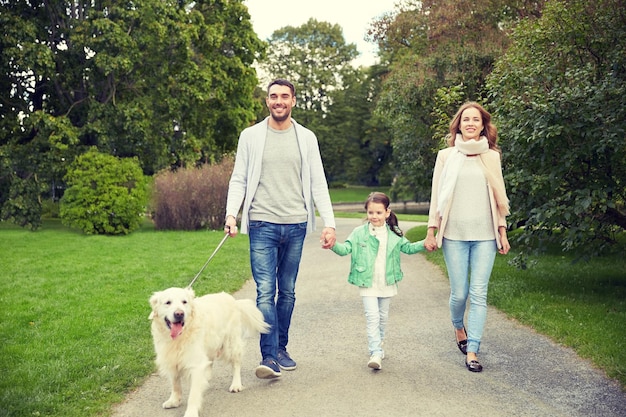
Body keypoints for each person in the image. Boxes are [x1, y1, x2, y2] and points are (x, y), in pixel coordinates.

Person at [224, 79, 336, 379]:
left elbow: (318, 182)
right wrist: (231, 214)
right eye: (274, 96)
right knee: (265, 292)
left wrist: (330, 222)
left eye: (284, 96)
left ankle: (281, 347)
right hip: (262, 223)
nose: (279, 101)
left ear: (294, 101)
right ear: (267, 101)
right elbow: (239, 178)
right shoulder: (250, 136)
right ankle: (269, 357)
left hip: (296, 224)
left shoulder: (307, 138)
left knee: (286, 292)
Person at [424, 102, 510, 373]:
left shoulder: (492, 157)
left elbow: (499, 197)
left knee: (479, 293)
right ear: (458, 125)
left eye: (476, 119)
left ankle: (472, 350)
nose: (470, 123)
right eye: (465, 120)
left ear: (483, 125)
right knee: (459, 293)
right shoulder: (446, 156)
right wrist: (431, 229)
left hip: (485, 235)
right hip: (454, 234)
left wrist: (502, 231)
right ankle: (457, 325)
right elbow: (437, 194)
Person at [327, 192, 427, 370]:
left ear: (387, 212)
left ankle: (378, 346)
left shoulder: (394, 233)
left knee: (382, 318)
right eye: (371, 212)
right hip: (367, 281)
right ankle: (374, 352)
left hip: (387, 281)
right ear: (366, 213)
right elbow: (345, 249)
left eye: (379, 213)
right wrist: (332, 244)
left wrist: (424, 243)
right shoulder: (359, 233)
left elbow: (408, 248)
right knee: (372, 317)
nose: (374, 216)